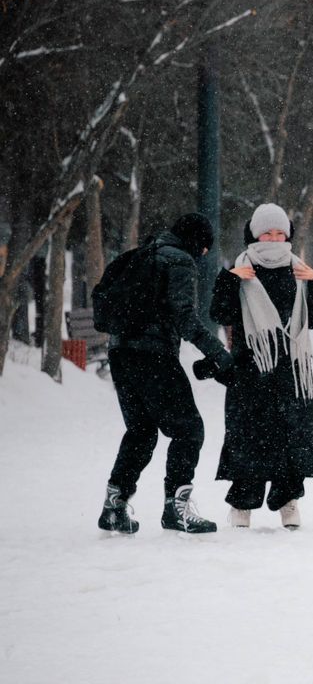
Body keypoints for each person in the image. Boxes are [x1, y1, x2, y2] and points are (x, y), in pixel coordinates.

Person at [97, 211, 237, 534]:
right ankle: (177, 508)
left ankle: (114, 505)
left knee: (141, 432)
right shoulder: (180, 261)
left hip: (120, 353)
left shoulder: (147, 252)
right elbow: (186, 318)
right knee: (189, 429)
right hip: (152, 355)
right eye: (204, 249)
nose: (203, 256)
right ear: (197, 242)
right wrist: (219, 354)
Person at [208, 204, 313, 529]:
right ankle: (242, 506)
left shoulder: (298, 269)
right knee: (248, 438)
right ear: (255, 234)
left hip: (291, 371)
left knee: (290, 438)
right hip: (251, 368)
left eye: (280, 233)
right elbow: (220, 313)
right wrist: (230, 281)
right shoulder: (242, 268)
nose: (274, 239)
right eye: (267, 233)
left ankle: (288, 501)